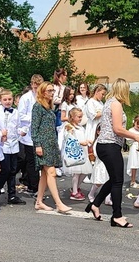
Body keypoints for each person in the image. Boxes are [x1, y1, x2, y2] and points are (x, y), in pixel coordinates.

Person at [85, 79, 139, 228]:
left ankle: (95, 204)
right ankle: (117, 216)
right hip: (109, 145)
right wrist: (135, 136)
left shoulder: (110, 102)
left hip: (107, 144)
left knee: (114, 179)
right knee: (118, 181)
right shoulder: (116, 104)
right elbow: (117, 129)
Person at [31, 82, 72, 213]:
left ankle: (39, 201)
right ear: (42, 92)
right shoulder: (37, 107)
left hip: (51, 143)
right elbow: (34, 128)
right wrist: (37, 144)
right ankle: (59, 203)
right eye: (49, 91)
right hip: (43, 144)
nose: (52, 93)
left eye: (53, 91)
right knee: (51, 172)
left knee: (45, 174)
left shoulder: (49, 107)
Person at [0, 89, 26, 206]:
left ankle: (12, 194)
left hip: (14, 144)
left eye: (10, 99)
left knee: (13, 170)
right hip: (3, 145)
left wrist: (22, 132)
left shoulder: (16, 112)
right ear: (0, 100)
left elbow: (20, 126)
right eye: (5, 100)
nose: (7, 102)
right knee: (5, 170)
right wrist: (0, 134)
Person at [18, 74, 44, 196]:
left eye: (39, 85)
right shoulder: (26, 98)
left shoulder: (42, 97)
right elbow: (21, 115)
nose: (37, 88)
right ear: (32, 84)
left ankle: (34, 184)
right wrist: (34, 118)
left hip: (41, 133)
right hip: (28, 132)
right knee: (31, 161)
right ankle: (34, 186)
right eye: (35, 85)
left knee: (39, 160)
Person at [60, 108, 92, 201]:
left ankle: (76, 187)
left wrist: (87, 141)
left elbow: (83, 137)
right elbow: (69, 140)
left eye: (81, 116)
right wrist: (81, 143)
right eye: (79, 117)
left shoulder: (80, 127)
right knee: (77, 173)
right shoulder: (69, 127)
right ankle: (74, 192)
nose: (81, 118)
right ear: (72, 117)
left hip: (83, 152)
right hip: (75, 153)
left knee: (85, 171)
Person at [125, 116, 139, 189]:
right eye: (138, 124)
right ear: (134, 123)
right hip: (134, 149)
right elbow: (128, 141)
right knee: (134, 164)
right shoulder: (130, 131)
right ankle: (132, 181)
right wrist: (135, 139)